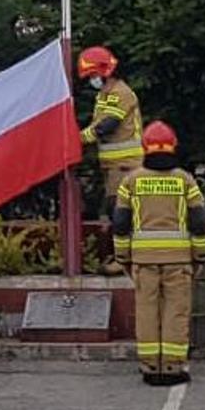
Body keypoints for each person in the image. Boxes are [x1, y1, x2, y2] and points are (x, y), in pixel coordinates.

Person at [112, 121, 205, 387]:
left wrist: (122, 257)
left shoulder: (131, 181)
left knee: (146, 311)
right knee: (176, 312)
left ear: (145, 147)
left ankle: (149, 366)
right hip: (179, 261)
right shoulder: (184, 180)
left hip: (143, 262)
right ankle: (172, 366)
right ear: (173, 147)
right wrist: (200, 255)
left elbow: (121, 224)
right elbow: (199, 222)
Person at [76, 46, 143, 272]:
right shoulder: (104, 95)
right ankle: (123, 258)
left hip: (126, 164)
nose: (91, 80)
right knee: (116, 211)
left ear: (105, 71)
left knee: (121, 212)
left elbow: (106, 126)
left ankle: (124, 260)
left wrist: (77, 139)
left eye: (93, 75)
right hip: (114, 166)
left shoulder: (120, 93)